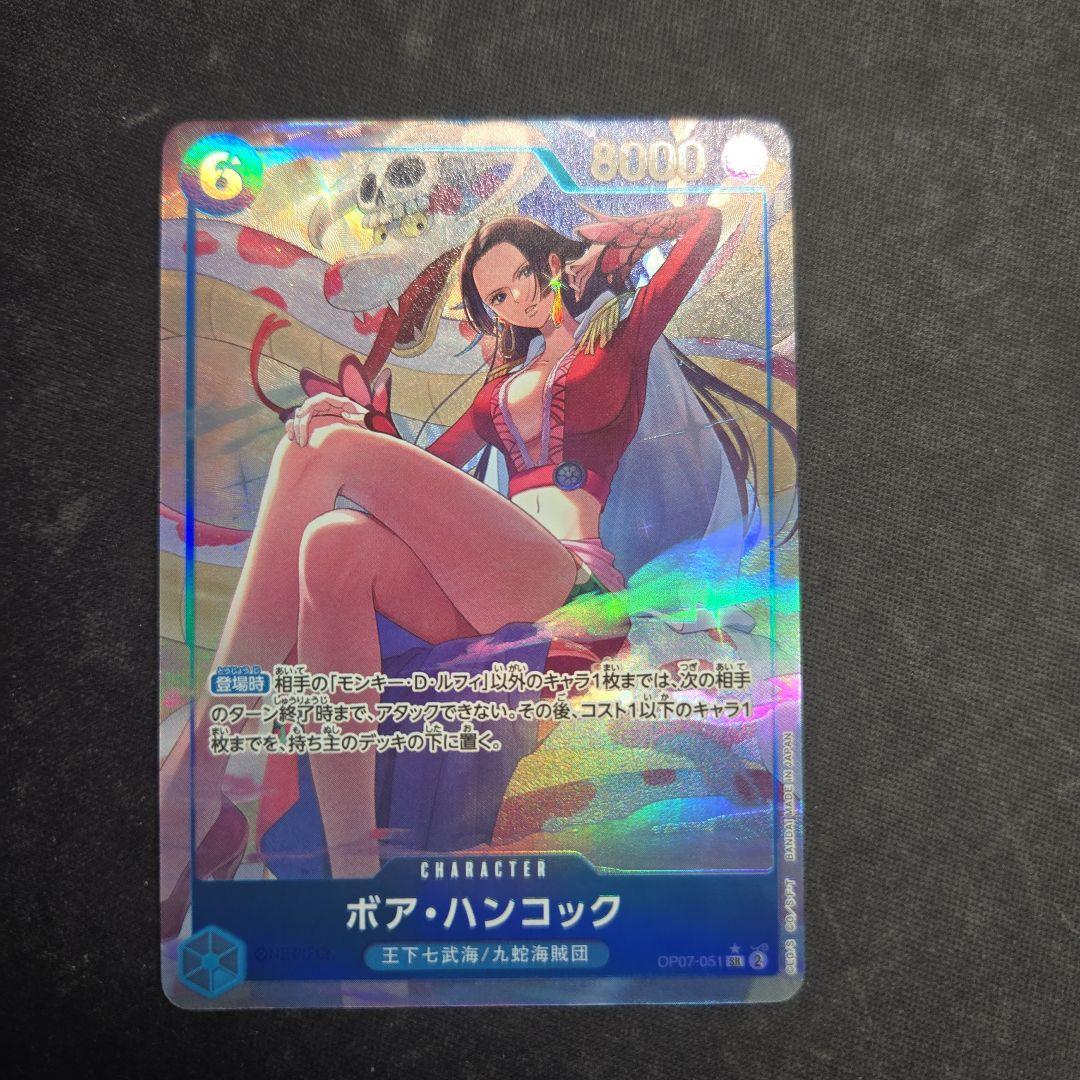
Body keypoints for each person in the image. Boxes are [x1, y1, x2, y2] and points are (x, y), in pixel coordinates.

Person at [161, 202, 789, 937]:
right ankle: (354, 874)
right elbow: (426, 476)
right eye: (495, 296)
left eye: (519, 277)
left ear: (549, 264)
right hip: (493, 590)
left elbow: (704, 227)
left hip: (574, 589)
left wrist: (605, 241)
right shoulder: (496, 391)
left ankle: (191, 782)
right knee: (332, 541)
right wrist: (359, 425)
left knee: (320, 453)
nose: (513, 301)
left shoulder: (616, 343)